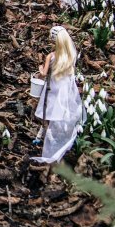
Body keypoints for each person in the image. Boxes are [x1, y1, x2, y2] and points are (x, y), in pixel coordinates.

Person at [32, 25, 85, 163]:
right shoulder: (70, 56)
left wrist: (40, 69)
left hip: (51, 90)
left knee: (46, 114)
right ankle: (45, 135)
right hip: (64, 91)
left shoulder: (51, 56)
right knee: (58, 115)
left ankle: (47, 136)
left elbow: (43, 74)